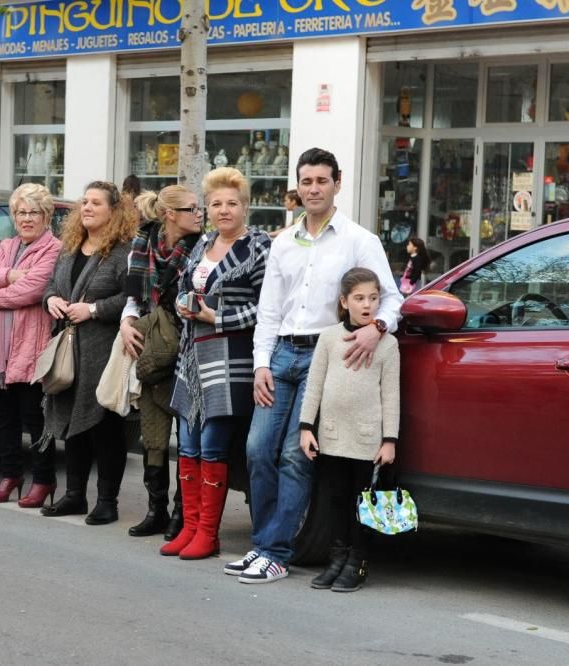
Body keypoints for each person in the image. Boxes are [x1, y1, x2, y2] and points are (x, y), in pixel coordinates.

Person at [232, 147, 403, 583]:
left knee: (295, 455)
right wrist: (260, 364)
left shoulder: (359, 240)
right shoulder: (284, 241)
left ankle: (275, 551)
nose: (313, 189)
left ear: (337, 183)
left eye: (321, 181)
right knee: (256, 449)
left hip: (328, 356)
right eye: (306, 181)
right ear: (298, 187)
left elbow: (392, 297)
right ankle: (264, 542)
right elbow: (268, 310)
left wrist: (376, 327)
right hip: (282, 353)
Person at [161, 167, 272, 560]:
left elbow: (267, 308)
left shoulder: (258, 246)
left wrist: (217, 318)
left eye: (231, 203)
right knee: (187, 445)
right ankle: (190, 527)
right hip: (191, 354)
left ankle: (208, 533)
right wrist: (181, 302)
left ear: (245, 206)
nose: (223, 210)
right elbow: (184, 285)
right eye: (215, 204)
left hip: (230, 357)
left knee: (212, 447)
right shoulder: (203, 241)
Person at [299, 267, 399, 592]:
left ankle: (358, 561)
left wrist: (389, 440)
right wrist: (305, 427)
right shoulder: (329, 338)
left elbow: (391, 394)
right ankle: (337, 557)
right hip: (330, 434)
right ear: (344, 301)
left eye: (373, 298)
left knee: (361, 501)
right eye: (359, 298)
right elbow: (314, 385)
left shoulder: (388, 345)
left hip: (367, 439)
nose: (367, 304)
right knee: (335, 499)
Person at [40, 180, 134, 524]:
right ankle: (74, 495)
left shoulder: (125, 252)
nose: (88, 208)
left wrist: (93, 310)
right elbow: (50, 284)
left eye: (96, 202)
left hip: (104, 351)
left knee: (105, 427)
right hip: (68, 348)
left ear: (114, 210)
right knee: (72, 423)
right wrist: (51, 299)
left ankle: (107, 501)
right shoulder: (70, 248)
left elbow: (132, 298)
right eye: (85, 202)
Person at [119, 185, 201, 538]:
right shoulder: (143, 243)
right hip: (152, 348)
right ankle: (156, 509)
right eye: (191, 209)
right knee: (153, 436)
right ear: (170, 214)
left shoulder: (202, 247)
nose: (200, 215)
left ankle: (182, 514)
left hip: (187, 349)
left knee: (187, 435)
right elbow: (134, 297)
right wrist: (125, 323)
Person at [0, 184, 62, 506]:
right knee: (5, 416)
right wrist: (9, 275)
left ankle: (43, 479)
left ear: (46, 216)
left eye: (33, 212)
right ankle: (10, 475)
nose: (26, 219)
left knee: (34, 417)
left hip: (31, 345)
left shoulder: (54, 249)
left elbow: (33, 291)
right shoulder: (7, 247)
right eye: (21, 212)